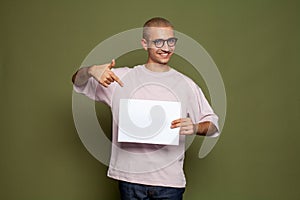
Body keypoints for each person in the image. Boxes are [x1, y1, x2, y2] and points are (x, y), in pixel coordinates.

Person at [72, 17, 219, 200]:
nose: (166, 48)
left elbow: (213, 124)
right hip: (130, 180)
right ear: (145, 43)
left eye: (171, 41)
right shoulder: (120, 79)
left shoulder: (186, 84)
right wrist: (91, 70)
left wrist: (197, 127)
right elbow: (77, 82)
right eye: (159, 41)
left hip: (170, 183)